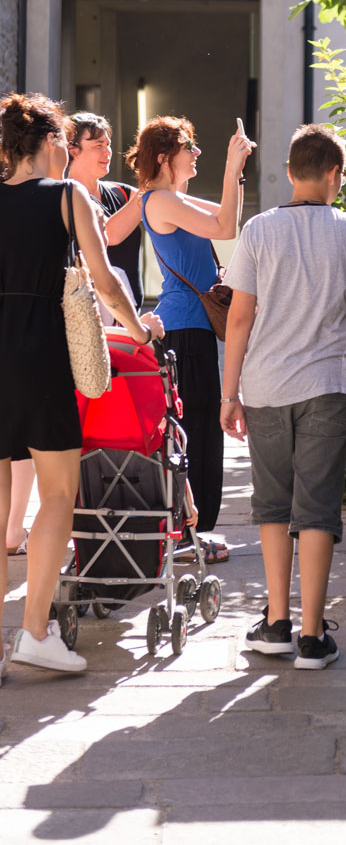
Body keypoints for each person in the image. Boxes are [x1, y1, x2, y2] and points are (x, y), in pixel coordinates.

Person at [219, 124, 346, 669]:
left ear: (290, 173)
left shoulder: (260, 230)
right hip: (326, 387)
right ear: (335, 175)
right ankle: (313, 636)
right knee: (316, 506)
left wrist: (228, 394)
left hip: (264, 386)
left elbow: (239, 317)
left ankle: (276, 623)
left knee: (271, 503)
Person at [0, 93, 164, 681]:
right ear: (51, 144)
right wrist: (138, 330)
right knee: (58, 493)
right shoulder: (70, 196)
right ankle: (35, 633)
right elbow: (104, 281)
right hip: (41, 357)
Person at [129, 116, 254, 560]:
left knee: (201, 429)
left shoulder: (172, 199)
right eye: (189, 146)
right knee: (195, 429)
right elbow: (223, 228)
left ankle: (193, 533)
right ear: (165, 157)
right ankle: (186, 535)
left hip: (191, 328)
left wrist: (234, 171)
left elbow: (227, 221)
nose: (196, 153)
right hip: (183, 329)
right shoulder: (161, 201)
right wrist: (230, 165)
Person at [68, 111, 144, 307]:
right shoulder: (66, 196)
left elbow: (169, 203)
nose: (108, 152)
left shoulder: (122, 192)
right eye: (98, 146)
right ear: (72, 150)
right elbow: (110, 234)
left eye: (108, 144)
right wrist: (152, 181)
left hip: (131, 315)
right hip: (91, 314)